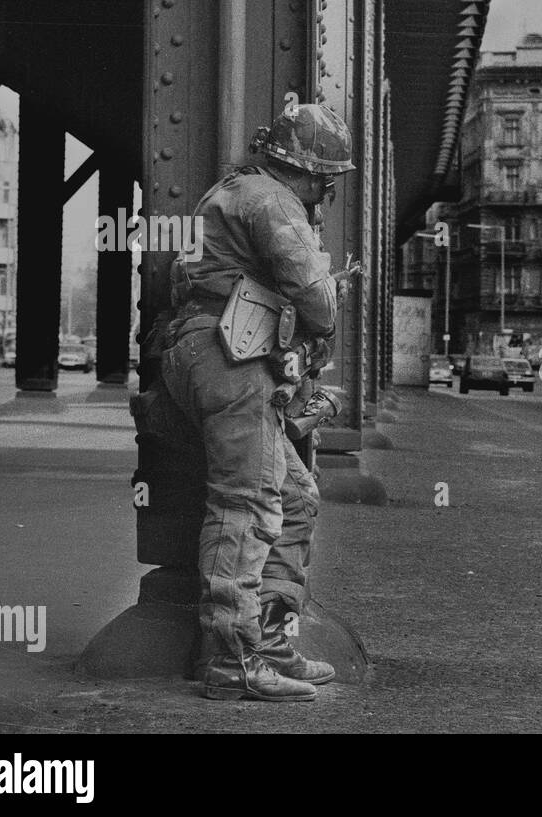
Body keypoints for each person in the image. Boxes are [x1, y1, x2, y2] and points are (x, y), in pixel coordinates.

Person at [160, 103, 354, 701]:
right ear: (306, 169)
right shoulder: (273, 201)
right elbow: (319, 304)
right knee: (246, 505)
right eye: (326, 178)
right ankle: (233, 660)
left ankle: (267, 642)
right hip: (232, 357)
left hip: (207, 352)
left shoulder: (232, 192)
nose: (326, 192)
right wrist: (327, 283)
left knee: (293, 498)